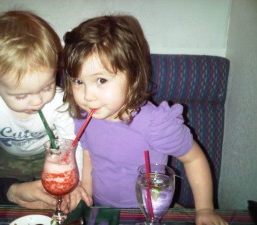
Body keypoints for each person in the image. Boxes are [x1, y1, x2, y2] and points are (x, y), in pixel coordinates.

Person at [61, 15, 228, 225]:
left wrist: (205, 210)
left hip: (150, 213)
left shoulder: (156, 123)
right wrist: (85, 193)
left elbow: (194, 159)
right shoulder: (85, 116)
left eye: (101, 80)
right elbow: (89, 155)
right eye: (78, 81)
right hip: (102, 211)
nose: (87, 95)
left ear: (132, 76)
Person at [0, 10, 88, 210]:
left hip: (49, 156)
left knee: (54, 206)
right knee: (10, 211)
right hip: (5, 161)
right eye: (21, 96)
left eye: (47, 87)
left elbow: (71, 145)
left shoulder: (57, 101)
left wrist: (75, 182)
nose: (37, 101)